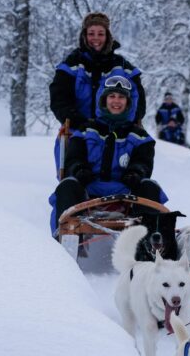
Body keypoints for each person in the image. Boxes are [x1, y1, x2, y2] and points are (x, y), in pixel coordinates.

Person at [49, 76, 180, 260]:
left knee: (150, 187)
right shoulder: (86, 131)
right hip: (88, 189)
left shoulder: (140, 136)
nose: (116, 101)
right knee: (67, 185)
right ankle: (63, 250)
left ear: (128, 102)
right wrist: (79, 169)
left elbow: (144, 163)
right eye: (112, 97)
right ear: (104, 100)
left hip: (125, 191)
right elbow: (73, 159)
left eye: (121, 97)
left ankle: (151, 253)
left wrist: (136, 172)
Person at [50, 12, 146, 131]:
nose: (96, 38)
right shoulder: (71, 65)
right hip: (78, 132)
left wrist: (124, 124)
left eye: (101, 34)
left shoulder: (123, 67)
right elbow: (59, 100)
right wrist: (80, 123)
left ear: (107, 36)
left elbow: (138, 102)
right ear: (84, 35)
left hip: (117, 133)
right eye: (91, 33)